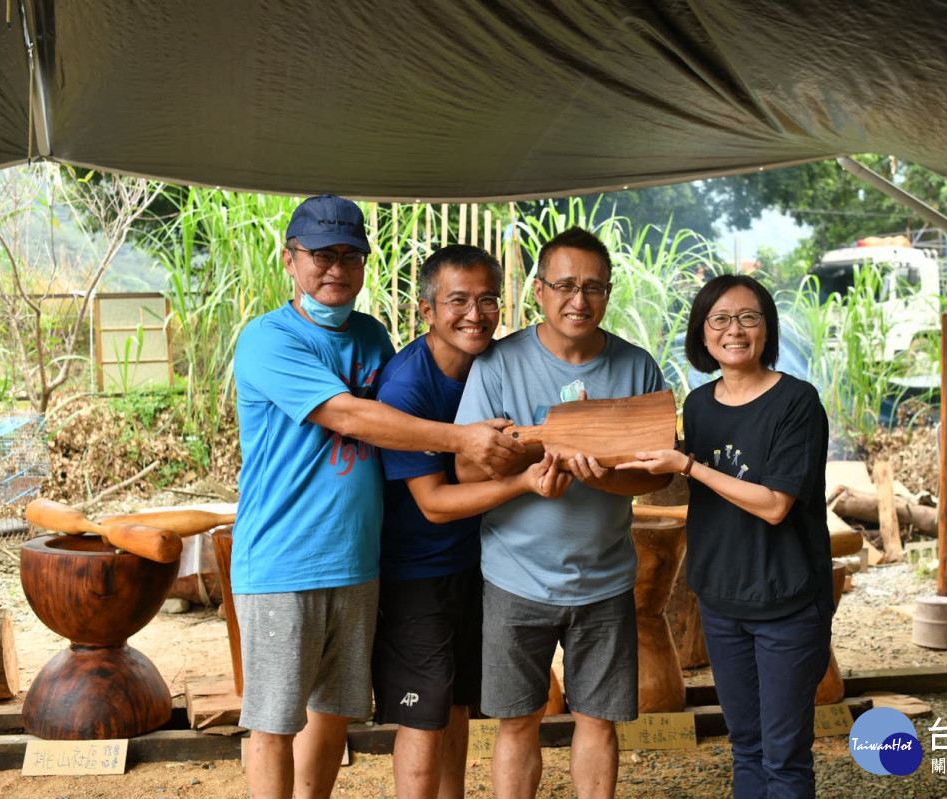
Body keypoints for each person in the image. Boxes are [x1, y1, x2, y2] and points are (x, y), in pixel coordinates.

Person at [231, 195, 523, 799]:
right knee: (273, 721)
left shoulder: (370, 335)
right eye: (320, 255)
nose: (335, 268)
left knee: (334, 710)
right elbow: (354, 418)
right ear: (291, 260)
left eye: (349, 256)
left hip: (360, 560)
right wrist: (461, 439)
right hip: (283, 559)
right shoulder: (267, 339)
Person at [454, 226, 671, 799]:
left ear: (608, 293)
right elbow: (468, 470)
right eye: (567, 285)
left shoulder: (636, 368)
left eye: (594, 287)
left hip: (604, 578)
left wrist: (610, 477)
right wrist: (527, 471)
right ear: (540, 291)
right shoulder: (499, 364)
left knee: (598, 720)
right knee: (517, 720)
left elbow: (660, 471)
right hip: (514, 575)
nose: (580, 300)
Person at [617, 273, 834, 799]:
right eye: (719, 319)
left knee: (784, 757)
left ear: (767, 329)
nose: (733, 330)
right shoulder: (698, 404)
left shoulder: (796, 402)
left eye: (748, 318)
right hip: (720, 600)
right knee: (746, 747)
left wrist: (689, 466)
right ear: (702, 332)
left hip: (786, 601)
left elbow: (776, 505)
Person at [372, 244, 571, 799]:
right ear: (425, 310)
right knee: (423, 715)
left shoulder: (496, 365)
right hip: (418, 572)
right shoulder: (406, 386)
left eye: (488, 300)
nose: (475, 314)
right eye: (458, 300)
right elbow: (433, 502)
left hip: (481, 563)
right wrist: (522, 483)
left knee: (457, 702)